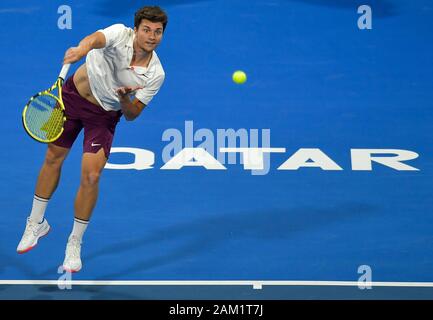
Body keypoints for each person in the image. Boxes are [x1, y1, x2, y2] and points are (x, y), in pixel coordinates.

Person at [17, 6, 168, 273]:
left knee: (91, 177)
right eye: (146, 29)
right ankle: (36, 222)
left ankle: (74, 242)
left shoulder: (155, 74)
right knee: (53, 157)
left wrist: (124, 99)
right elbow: (96, 39)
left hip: (104, 116)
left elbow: (132, 114)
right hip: (71, 98)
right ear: (136, 29)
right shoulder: (119, 33)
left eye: (157, 32)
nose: (152, 36)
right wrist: (81, 50)